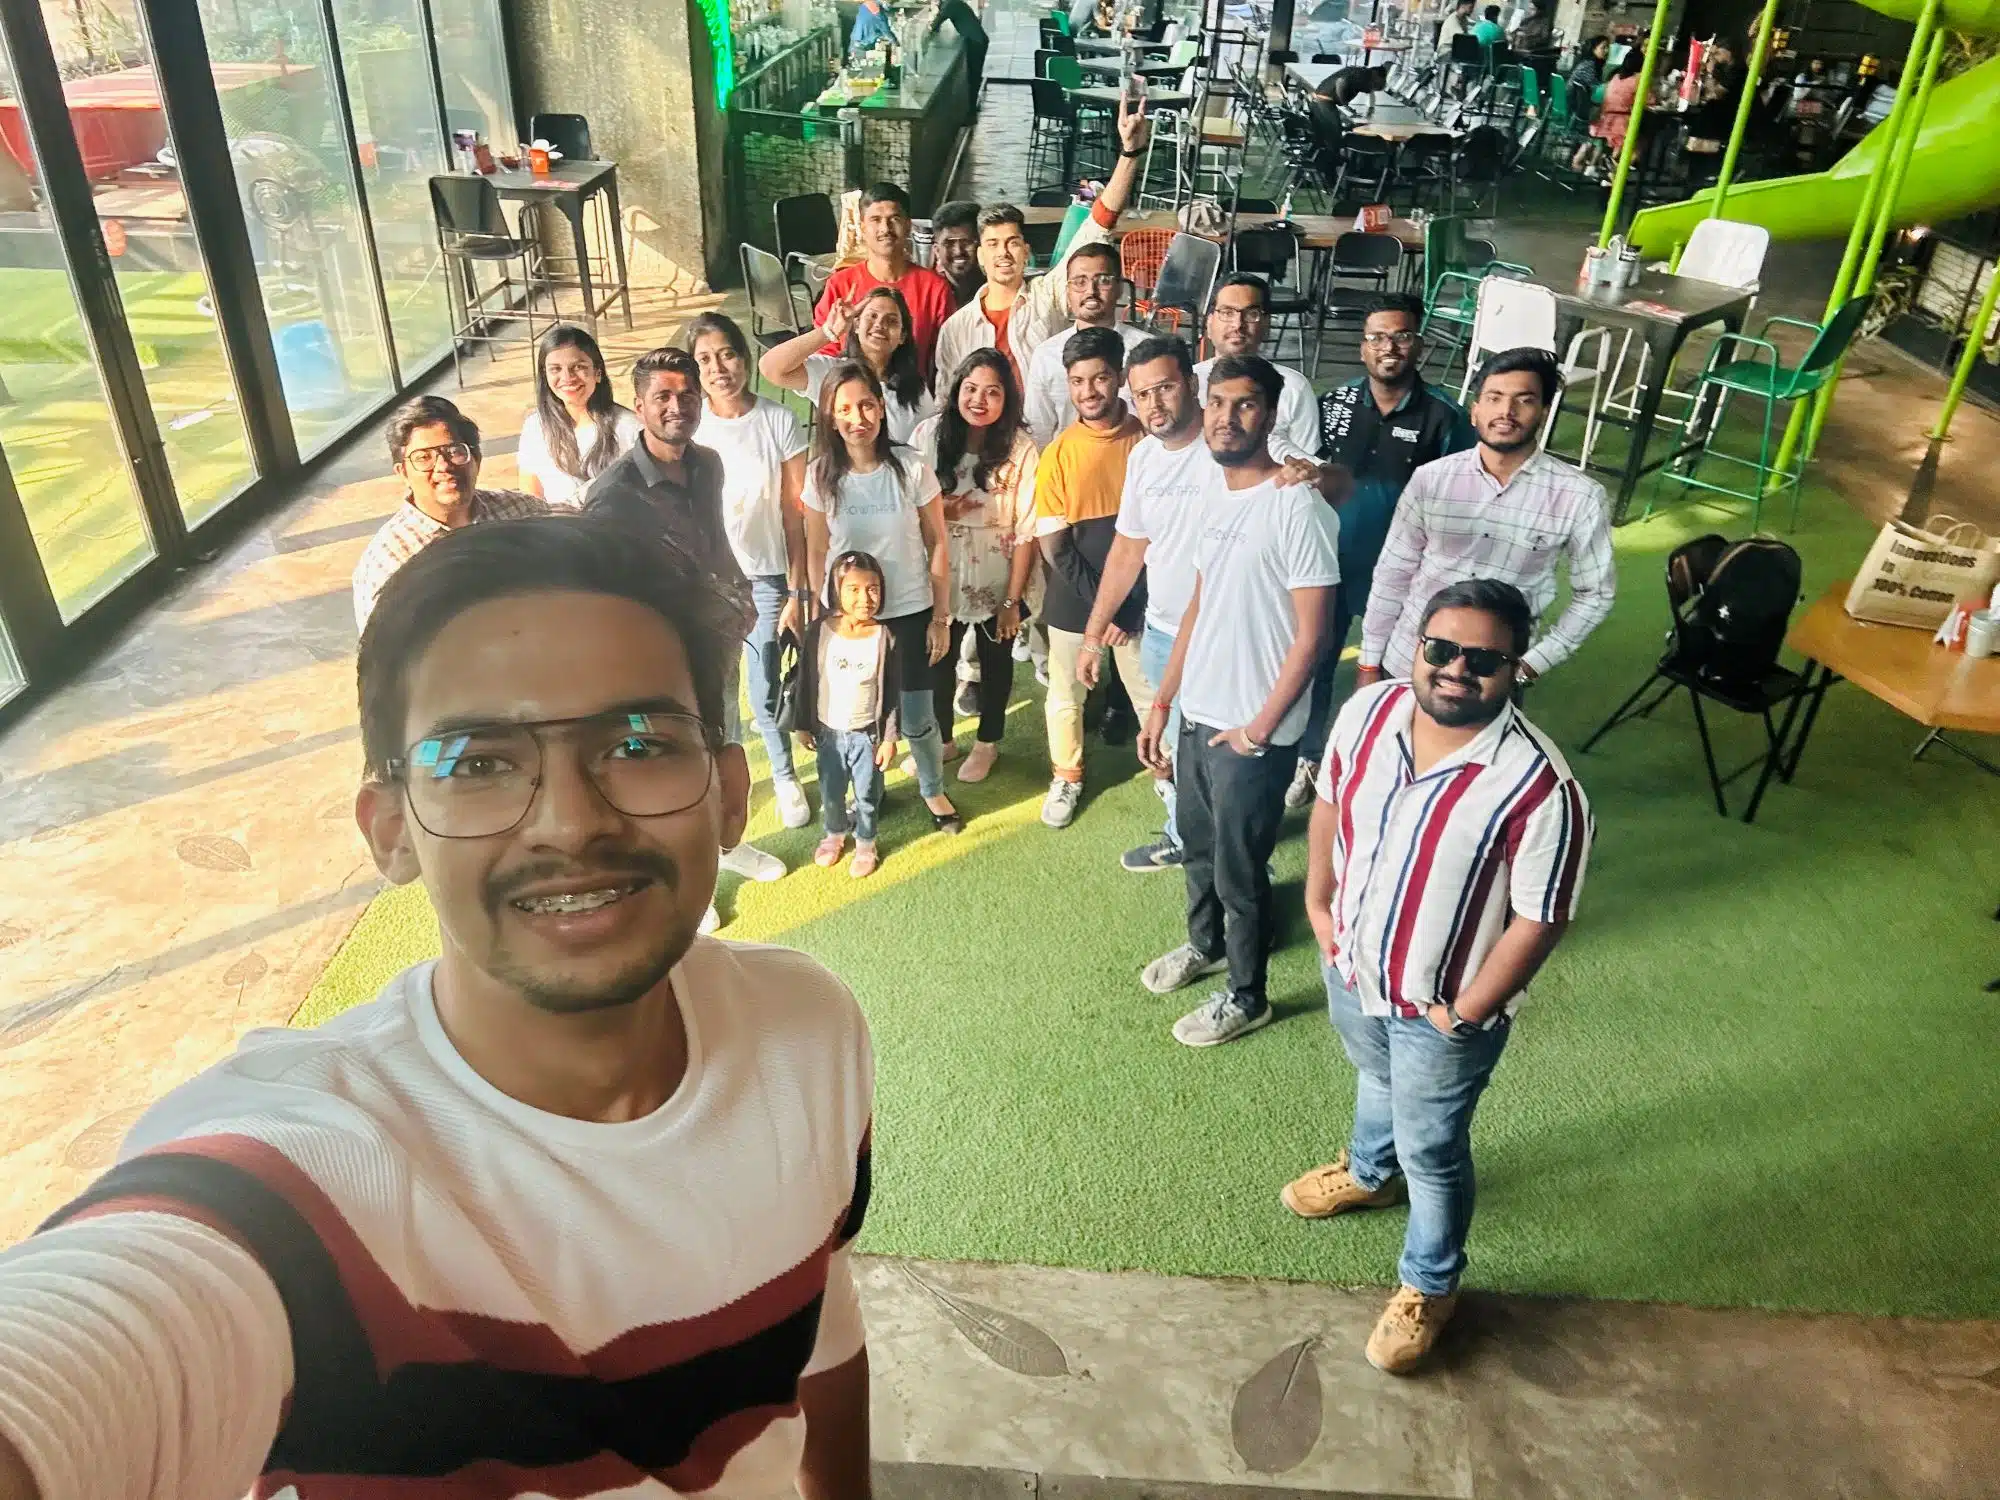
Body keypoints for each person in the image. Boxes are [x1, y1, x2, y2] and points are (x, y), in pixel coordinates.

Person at [0, 517, 876, 1498]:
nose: (570, 822)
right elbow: (112, 1320)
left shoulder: (807, 1030)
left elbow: (821, 1319)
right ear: (390, 830)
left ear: (727, 793)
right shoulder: (305, 1176)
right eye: (476, 762)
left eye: (638, 744)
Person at [1286, 578, 1593, 1375]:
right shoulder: (1368, 711)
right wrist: (1319, 905)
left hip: (1444, 1011)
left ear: (1516, 668)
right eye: (1442, 649)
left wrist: (1466, 1012)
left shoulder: (1541, 787)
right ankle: (1368, 1174)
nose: (1458, 669)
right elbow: (1330, 804)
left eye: (1484, 659)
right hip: (1353, 967)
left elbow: (1542, 917)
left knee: (1434, 1147)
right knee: (1374, 1076)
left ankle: (1430, 1284)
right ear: (1417, 647)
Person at [1138, 355, 1340, 1048]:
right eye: (1218, 403)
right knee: (1197, 847)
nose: (1227, 417)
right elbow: (1199, 605)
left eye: (1245, 404)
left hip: (1252, 731)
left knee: (1240, 869)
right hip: (1197, 714)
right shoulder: (1214, 496)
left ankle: (1248, 997)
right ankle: (1207, 945)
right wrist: (1163, 701)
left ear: (1271, 415)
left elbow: (1314, 637)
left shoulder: (1296, 506)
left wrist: (1259, 730)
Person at [585, 347, 791, 908]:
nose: (677, 406)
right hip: (656, 661)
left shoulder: (708, 464)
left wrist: (737, 596)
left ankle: (728, 847)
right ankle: (686, 884)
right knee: (671, 767)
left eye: (687, 394)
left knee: (724, 745)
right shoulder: (613, 495)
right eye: (663, 396)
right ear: (639, 406)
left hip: (716, 641)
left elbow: (714, 540)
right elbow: (605, 591)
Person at [1287, 293, 1474, 811]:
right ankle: (1309, 757)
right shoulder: (1332, 404)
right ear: (1363, 347)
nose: (1389, 347)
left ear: (1419, 345)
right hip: (1327, 564)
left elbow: (1461, 499)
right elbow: (1305, 471)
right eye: (1377, 337)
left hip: (1403, 577)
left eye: (1401, 336)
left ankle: (1373, 764)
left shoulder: (1445, 418)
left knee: (1390, 677)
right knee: (1314, 663)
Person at [1358, 347, 1615, 688]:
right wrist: (1369, 662)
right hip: (1409, 660)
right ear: (1475, 410)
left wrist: (1533, 663)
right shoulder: (1431, 480)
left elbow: (1595, 593)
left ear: (1544, 412)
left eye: (1524, 400)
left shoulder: (1580, 497)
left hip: (1493, 676)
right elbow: (1394, 573)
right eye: (1494, 398)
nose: (1506, 411)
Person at [801, 359, 964, 835]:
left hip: (909, 611)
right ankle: (869, 791)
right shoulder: (820, 475)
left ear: (880, 406)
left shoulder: (910, 466)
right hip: (850, 621)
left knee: (917, 718)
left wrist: (940, 616)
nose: (859, 418)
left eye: (867, 405)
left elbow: (937, 541)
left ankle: (932, 788)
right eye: (845, 409)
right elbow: (815, 550)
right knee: (858, 716)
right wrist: (823, 616)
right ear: (831, 417)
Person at [1076, 337, 1207, 874]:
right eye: (1143, 394)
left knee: (1226, 758)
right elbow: (1129, 548)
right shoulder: (1145, 458)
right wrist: (1093, 635)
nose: (1154, 404)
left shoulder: (1231, 447)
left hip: (1222, 639)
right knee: (1171, 749)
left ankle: (1240, 862)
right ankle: (1184, 837)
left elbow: (1319, 477)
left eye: (1165, 388)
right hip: (1160, 633)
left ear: (1192, 385)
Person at [687, 311, 814, 831]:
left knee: (765, 683)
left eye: (727, 354)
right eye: (705, 360)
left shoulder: (778, 420)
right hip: (709, 583)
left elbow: (796, 514)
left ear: (744, 357)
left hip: (766, 577)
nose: (719, 369)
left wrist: (798, 590)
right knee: (718, 691)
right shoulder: (691, 428)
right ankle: (733, 780)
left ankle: (785, 776)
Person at [932, 98, 1151, 387]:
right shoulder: (956, 329)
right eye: (993, 244)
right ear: (981, 255)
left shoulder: (1048, 296)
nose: (1003, 253)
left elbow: (1100, 222)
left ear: (1026, 252)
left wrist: (1130, 153)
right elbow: (946, 398)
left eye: (1012, 242)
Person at [1032, 326, 1154, 830]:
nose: (1089, 391)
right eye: (1078, 381)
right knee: (1066, 694)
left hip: (1140, 601)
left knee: (1149, 691)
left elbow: (1163, 538)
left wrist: (1128, 605)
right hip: (1075, 598)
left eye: (1100, 378)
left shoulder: (1149, 443)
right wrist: (1107, 610)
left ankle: (1168, 772)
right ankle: (1067, 775)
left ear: (1120, 377)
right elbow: (1055, 547)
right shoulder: (1058, 454)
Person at [913, 349, 1041, 783]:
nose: (979, 400)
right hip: (939, 574)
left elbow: (1026, 529)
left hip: (998, 576)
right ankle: (944, 741)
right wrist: (942, 512)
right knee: (938, 660)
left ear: (1008, 398)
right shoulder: (928, 435)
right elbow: (908, 505)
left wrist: (1011, 601)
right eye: (971, 389)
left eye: (992, 392)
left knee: (995, 662)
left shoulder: (1022, 449)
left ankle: (987, 743)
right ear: (956, 390)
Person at [352, 394, 544, 631]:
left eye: (454, 451)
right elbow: (383, 651)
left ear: (476, 460)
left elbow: (575, 521)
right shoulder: (390, 562)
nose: (443, 466)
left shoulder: (518, 512)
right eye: (424, 457)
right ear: (403, 473)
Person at [797, 550, 906, 879]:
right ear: (836, 590)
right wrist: (803, 725)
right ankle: (834, 834)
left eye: (873, 589)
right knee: (831, 791)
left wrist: (889, 739)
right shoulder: (819, 631)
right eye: (854, 589)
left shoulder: (885, 636)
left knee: (867, 795)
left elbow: (893, 692)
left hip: (866, 736)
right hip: (828, 735)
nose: (865, 598)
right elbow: (806, 681)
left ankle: (866, 844)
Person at [810, 181, 956, 377]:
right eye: (875, 220)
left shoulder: (935, 289)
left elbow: (946, 360)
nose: (885, 228)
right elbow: (824, 354)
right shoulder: (841, 285)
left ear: (908, 226)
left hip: (912, 392)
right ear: (863, 228)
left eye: (894, 219)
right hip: (851, 389)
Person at [762, 284, 939, 445]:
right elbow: (772, 368)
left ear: (902, 336)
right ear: (856, 325)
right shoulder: (832, 373)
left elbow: (931, 440)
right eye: (872, 316)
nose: (880, 324)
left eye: (891, 321)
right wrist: (828, 332)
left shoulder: (916, 388)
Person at [1021, 240, 1152, 447]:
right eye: (1079, 282)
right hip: (1068, 463)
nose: (1091, 291)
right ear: (1068, 291)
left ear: (1119, 288)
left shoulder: (1148, 351)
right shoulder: (1047, 355)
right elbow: (1038, 431)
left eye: (1103, 280)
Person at [516, 323, 644, 508]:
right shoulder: (535, 427)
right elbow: (531, 495)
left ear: (598, 372)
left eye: (578, 367)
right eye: (555, 369)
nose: (567, 378)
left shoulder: (630, 428)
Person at [1194, 276, 1320, 464]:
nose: (1238, 324)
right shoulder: (1188, 384)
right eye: (1227, 312)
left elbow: (1307, 465)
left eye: (1251, 314)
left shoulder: (1293, 388)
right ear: (1209, 323)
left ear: (1266, 324)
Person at [1591, 46, 1646, 165]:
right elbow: (1649, 99)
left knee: (1626, 138)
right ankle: (1620, 164)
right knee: (1642, 138)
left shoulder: (1615, 77)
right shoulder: (1638, 80)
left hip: (1605, 119)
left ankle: (1612, 161)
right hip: (1620, 121)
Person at [929, 198, 985, 310]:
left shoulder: (997, 289)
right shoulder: (927, 293)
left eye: (966, 242)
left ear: (982, 245)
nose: (958, 251)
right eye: (949, 243)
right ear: (937, 250)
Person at [1568, 36, 1611, 173]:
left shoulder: (1586, 63)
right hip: (1579, 110)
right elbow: (1597, 90)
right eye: (1603, 47)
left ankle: (1589, 159)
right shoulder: (1589, 66)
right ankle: (1591, 161)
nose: (1606, 50)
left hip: (1576, 107)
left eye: (1608, 47)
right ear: (1593, 49)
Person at [928, 0, 991, 87]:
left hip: (976, 41)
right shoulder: (954, 3)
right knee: (975, 74)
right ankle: (975, 92)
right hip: (979, 39)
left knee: (974, 75)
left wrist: (933, 15)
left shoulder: (949, 5)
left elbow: (935, 25)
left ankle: (974, 94)